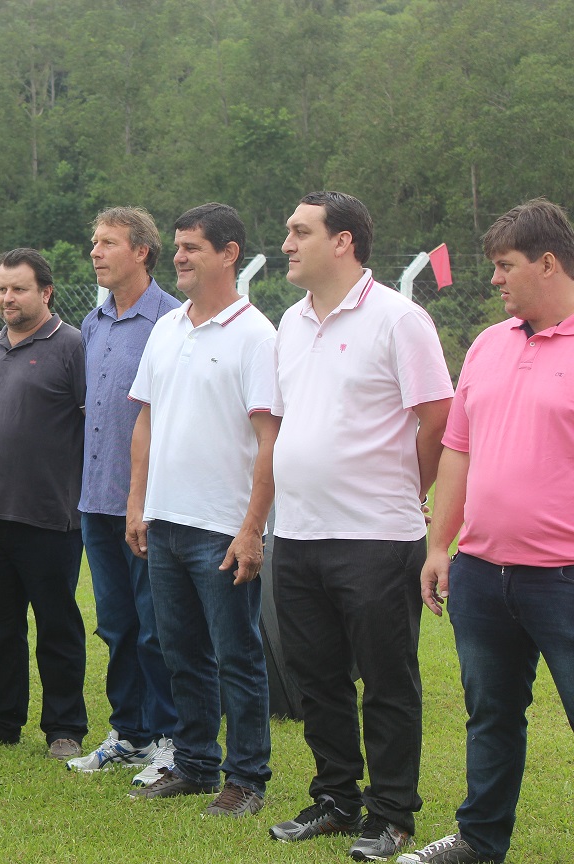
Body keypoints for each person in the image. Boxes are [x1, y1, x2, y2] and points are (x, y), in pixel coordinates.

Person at [267, 192, 453, 861]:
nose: (286, 243)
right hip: (299, 535)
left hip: (376, 536)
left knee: (387, 679)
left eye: (299, 232)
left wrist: (410, 486)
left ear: (342, 241)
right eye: (287, 233)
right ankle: (336, 799)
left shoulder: (398, 320)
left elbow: (437, 417)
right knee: (316, 677)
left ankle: (393, 813)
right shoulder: (289, 322)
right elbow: (286, 422)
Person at [399, 199, 574, 864]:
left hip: (564, 577)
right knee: (491, 716)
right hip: (480, 572)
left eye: (506, 266)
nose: (494, 279)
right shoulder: (486, 345)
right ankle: (479, 840)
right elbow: (458, 453)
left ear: (548, 263)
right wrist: (441, 546)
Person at [123, 203, 278, 816]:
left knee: (236, 654)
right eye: (179, 247)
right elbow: (147, 419)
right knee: (178, 649)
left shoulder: (257, 336)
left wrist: (251, 529)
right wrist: (138, 502)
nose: (178, 257)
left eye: (191, 248)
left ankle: (246, 777)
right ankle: (193, 762)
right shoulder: (167, 327)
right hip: (165, 520)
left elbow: (271, 438)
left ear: (229, 253)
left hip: (222, 527)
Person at [0, 247, 89, 761]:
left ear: (45, 292)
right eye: (2, 289)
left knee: (56, 625)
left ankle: (64, 727)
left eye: (19, 289)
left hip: (49, 515)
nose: (8, 298)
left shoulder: (72, 346)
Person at [66, 207, 181, 781]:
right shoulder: (93, 323)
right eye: (94, 241)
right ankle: (130, 732)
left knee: (156, 625)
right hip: (96, 501)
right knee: (115, 623)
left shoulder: (173, 321)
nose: (95, 251)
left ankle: (169, 736)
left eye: (107, 242)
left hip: (151, 504)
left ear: (142, 251)